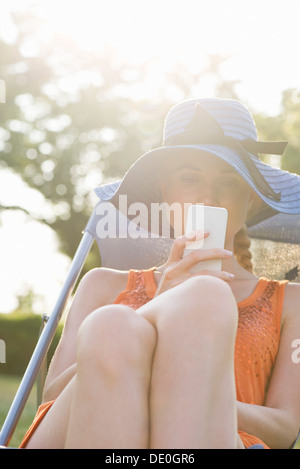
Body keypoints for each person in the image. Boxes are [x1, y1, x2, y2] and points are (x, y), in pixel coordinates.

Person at [19, 98, 300, 449]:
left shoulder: (290, 301)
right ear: (166, 192)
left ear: (252, 199)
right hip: (81, 430)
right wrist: (158, 306)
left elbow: (285, 427)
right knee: (114, 325)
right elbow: (54, 397)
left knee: (205, 296)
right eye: (189, 178)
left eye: (229, 182)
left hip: (220, 439)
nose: (208, 198)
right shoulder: (102, 284)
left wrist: (188, 395)